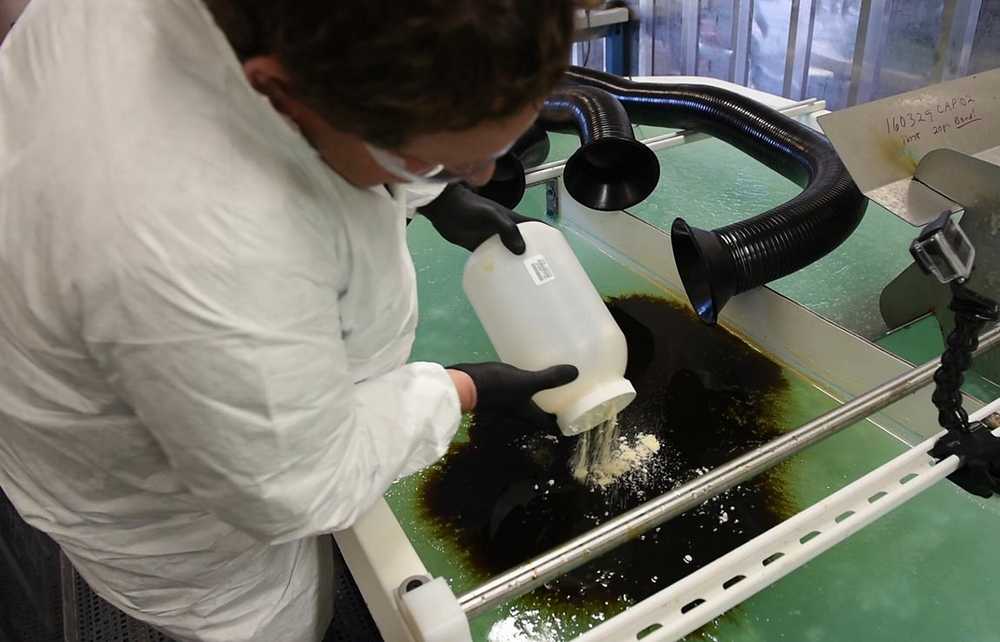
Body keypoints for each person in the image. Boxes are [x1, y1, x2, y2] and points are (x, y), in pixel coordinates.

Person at [0, 1, 586, 640]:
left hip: (141, 323)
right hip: (180, 518)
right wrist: (458, 390)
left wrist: (435, 184)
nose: (483, 172)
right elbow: (295, 488)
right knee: (280, 619)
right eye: (437, 160)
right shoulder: (191, 242)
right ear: (277, 89)